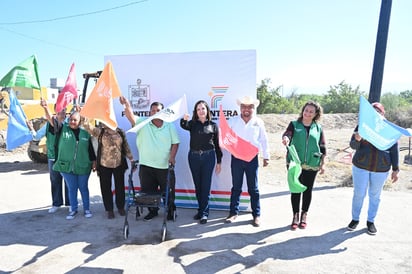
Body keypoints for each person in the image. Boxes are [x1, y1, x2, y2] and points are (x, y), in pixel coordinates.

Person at [120, 96, 180, 221]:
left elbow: (175, 143)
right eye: (153, 110)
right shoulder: (142, 122)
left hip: (164, 167)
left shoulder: (169, 126)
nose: (155, 112)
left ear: (163, 112)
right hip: (146, 166)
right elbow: (130, 116)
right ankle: (153, 211)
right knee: (148, 193)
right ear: (149, 112)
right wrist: (126, 104)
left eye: (158, 110)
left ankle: (170, 211)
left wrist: (172, 157)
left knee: (168, 192)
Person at [347, 102, 400, 235]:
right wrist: (357, 139)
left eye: (378, 111)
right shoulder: (362, 126)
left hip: (381, 169)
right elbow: (353, 145)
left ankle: (370, 221)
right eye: (373, 111)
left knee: (375, 196)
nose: (376, 114)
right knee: (359, 194)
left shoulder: (389, 129)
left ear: (383, 113)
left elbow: (394, 150)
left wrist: (396, 169)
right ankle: (355, 219)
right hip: (361, 166)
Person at [41, 99, 96, 220]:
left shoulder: (85, 133)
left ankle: (86, 209)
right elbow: (52, 120)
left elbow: (91, 150)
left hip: (83, 166)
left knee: (83, 188)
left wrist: (93, 162)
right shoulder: (62, 129)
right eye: (70, 119)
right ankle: (73, 209)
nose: (72, 121)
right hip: (66, 166)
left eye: (75, 120)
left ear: (79, 121)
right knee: (72, 188)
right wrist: (46, 108)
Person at [225, 96, 269, 227]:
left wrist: (266, 156)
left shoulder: (258, 122)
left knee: (253, 188)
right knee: (236, 187)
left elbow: (264, 140)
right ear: (240, 108)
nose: (246, 109)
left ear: (253, 108)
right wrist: (229, 147)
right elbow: (226, 137)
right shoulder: (232, 121)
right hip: (237, 158)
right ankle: (233, 213)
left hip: (252, 158)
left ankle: (256, 215)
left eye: (249, 107)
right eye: (244, 106)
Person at [282, 100, 326, 230]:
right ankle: (295, 215)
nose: (308, 113)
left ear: (316, 114)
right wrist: (286, 139)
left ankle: (304, 215)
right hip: (295, 163)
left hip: (312, 164)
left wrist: (323, 164)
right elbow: (287, 134)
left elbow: (322, 147)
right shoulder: (294, 124)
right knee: (296, 189)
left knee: (307, 190)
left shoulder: (318, 128)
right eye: (306, 110)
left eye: (311, 111)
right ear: (303, 111)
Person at [180, 100, 222, 224]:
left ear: (207, 110)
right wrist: (184, 119)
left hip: (209, 158)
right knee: (198, 186)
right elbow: (183, 125)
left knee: (205, 186)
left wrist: (219, 162)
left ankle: (204, 213)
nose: (201, 111)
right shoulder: (192, 124)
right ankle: (201, 210)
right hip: (193, 157)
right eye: (198, 109)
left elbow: (217, 145)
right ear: (196, 112)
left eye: (203, 108)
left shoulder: (213, 125)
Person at [84, 121, 134, 219]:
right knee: (105, 187)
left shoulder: (120, 132)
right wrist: (83, 115)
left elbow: (125, 146)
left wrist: (131, 158)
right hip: (104, 164)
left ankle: (120, 207)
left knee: (120, 187)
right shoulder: (100, 132)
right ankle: (109, 209)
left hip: (119, 164)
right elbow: (88, 127)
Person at [27, 106, 70, 213]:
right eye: (60, 111)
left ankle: (70, 203)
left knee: (69, 181)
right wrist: (31, 128)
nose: (63, 113)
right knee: (55, 181)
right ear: (55, 111)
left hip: (66, 158)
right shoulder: (47, 125)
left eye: (64, 111)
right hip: (53, 158)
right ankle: (56, 203)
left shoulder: (69, 123)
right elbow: (37, 137)